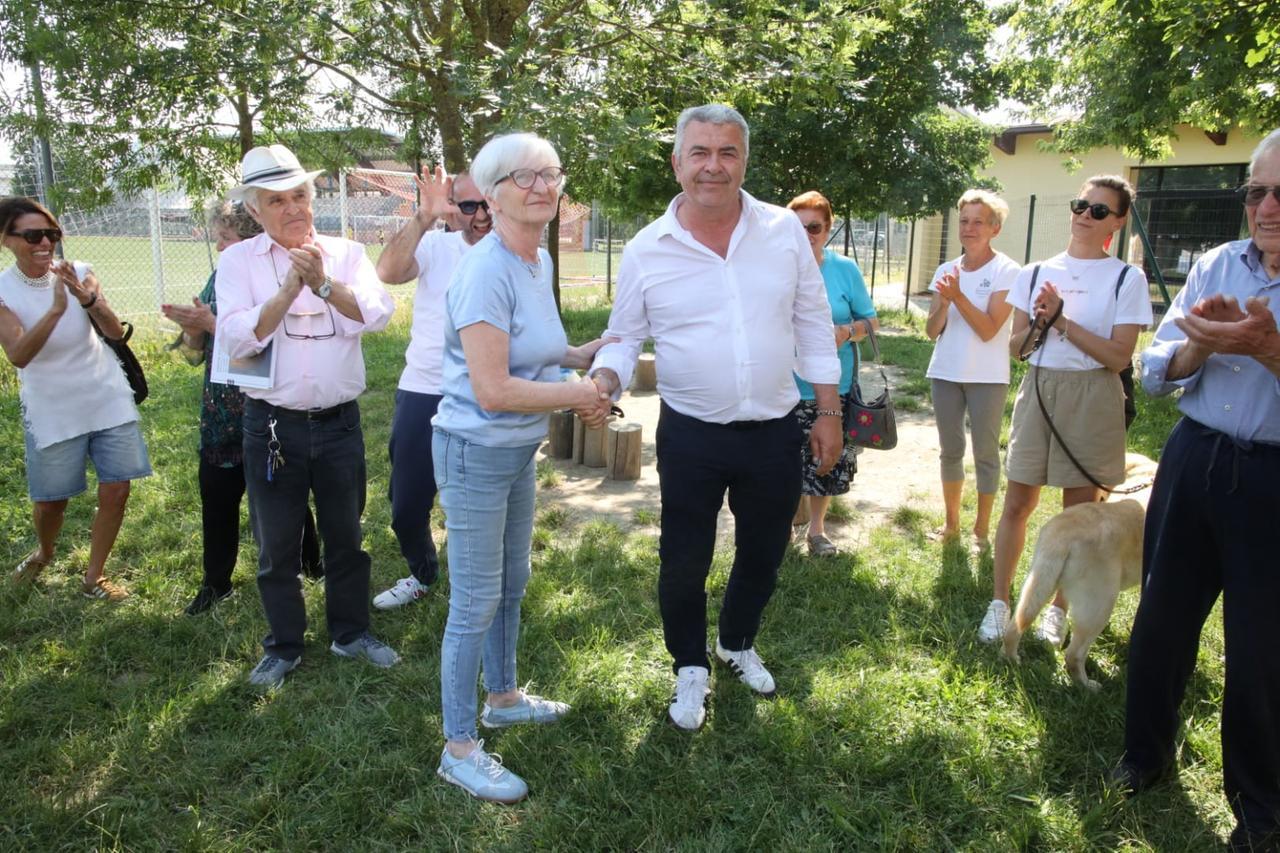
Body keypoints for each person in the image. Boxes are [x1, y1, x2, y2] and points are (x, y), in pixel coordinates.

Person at [589, 105, 842, 731]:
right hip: (693, 433)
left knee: (762, 552)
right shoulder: (648, 247)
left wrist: (829, 410)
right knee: (684, 558)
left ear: (744, 161)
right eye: (699, 152)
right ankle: (688, 667)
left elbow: (811, 322)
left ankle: (735, 641)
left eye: (727, 152)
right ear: (677, 162)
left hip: (774, 431)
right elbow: (624, 336)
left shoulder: (783, 231)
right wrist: (605, 376)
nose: (713, 165)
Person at [431, 132, 612, 803]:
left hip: (514, 451)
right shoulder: (486, 269)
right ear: (493, 192)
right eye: (523, 176)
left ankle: (503, 696)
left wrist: (593, 351)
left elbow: (538, 350)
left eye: (550, 173)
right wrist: (580, 393)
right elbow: (493, 389)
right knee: (475, 598)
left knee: (513, 580)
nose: (541, 186)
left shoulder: (533, 262)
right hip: (476, 450)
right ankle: (457, 747)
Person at [1114, 129, 1280, 853]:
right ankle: (1143, 755)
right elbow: (1157, 369)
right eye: (1256, 191)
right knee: (1161, 620)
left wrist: (1269, 350)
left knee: (1262, 650)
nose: (1267, 207)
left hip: (1274, 478)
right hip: (1194, 458)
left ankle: (1261, 806)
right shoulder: (1217, 263)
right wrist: (1202, 345)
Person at [216, 144, 398, 689]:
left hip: (339, 423)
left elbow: (378, 313)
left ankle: (350, 633)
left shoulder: (345, 253)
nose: (294, 208)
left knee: (347, 535)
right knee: (277, 544)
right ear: (255, 209)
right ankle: (284, 646)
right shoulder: (238, 262)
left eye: (300, 195)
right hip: (272, 426)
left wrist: (321, 283)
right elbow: (236, 333)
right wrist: (289, 287)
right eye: (278, 200)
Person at [979, 175, 1152, 646]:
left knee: (1080, 511)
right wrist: (1039, 322)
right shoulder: (1034, 271)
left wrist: (1063, 321)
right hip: (1041, 390)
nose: (1084, 215)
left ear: (1116, 222)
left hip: (1095, 395)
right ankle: (999, 603)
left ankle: (1058, 608)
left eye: (1098, 210)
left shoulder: (1126, 278)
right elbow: (1017, 347)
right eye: (1081, 205)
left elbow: (1119, 356)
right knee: (1018, 502)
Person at [162, 200, 322, 616]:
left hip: (265, 408)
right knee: (217, 499)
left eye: (226, 238)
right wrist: (193, 330)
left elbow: (264, 342)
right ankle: (215, 583)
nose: (219, 247)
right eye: (218, 238)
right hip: (220, 413)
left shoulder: (282, 278)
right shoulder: (221, 277)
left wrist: (215, 324)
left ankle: (311, 565)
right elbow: (196, 355)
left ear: (252, 238)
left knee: (284, 495)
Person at [1, 196, 150, 601]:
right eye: (33, 235)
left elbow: (115, 332)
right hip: (52, 406)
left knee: (117, 490)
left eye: (51, 233)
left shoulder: (80, 272)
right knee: (52, 503)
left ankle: (93, 577)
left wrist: (85, 297)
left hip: (105, 394)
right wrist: (54, 309)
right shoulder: (3, 290)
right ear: (6, 240)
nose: (45, 242)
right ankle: (45, 552)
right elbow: (19, 354)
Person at [372, 166, 492, 610]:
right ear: (452, 209)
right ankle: (422, 572)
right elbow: (388, 270)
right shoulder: (438, 246)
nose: (480, 215)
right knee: (406, 503)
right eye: (468, 205)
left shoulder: (516, 253)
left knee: (479, 506)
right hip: (425, 389)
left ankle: (480, 588)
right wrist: (423, 217)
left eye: (488, 204)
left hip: (487, 393)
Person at [924, 190, 1020, 551]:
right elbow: (933, 331)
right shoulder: (946, 270)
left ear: (994, 228)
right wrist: (944, 301)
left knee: (984, 452)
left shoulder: (1007, 270)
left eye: (978, 221)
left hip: (988, 377)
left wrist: (959, 297)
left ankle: (981, 531)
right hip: (946, 372)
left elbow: (989, 329)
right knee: (950, 451)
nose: (969, 228)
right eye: (964, 220)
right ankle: (951, 526)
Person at [785, 190, 878, 557]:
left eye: (815, 226)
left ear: (828, 228)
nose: (807, 233)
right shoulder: (775, 266)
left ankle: (817, 532)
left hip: (834, 384)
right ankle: (784, 529)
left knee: (825, 458)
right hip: (782, 385)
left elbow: (871, 320)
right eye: (798, 226)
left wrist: (847, 332)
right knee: (783, 461)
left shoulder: (844, 270)